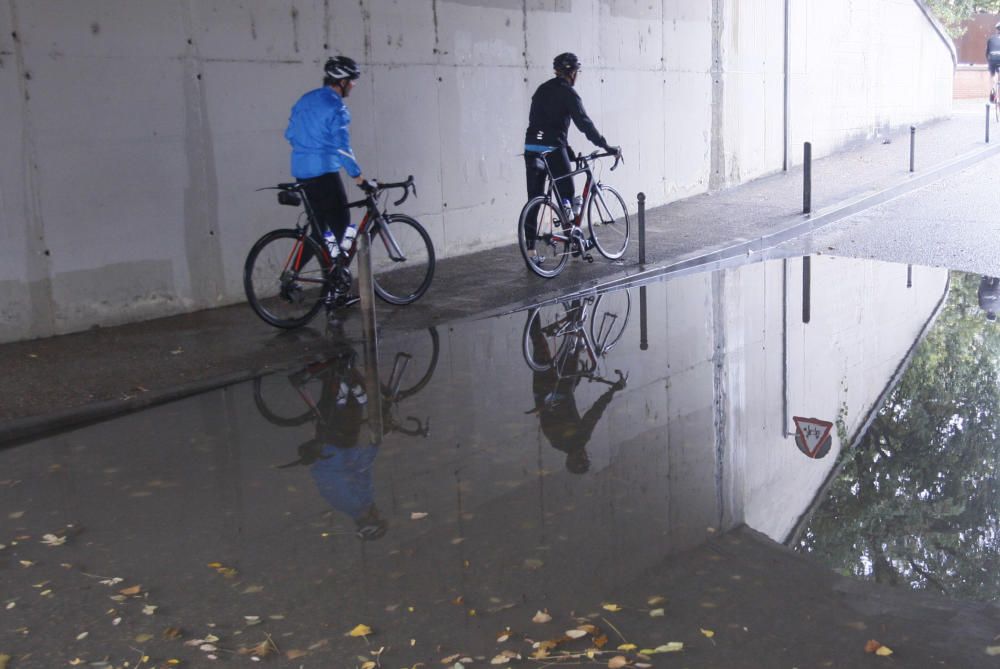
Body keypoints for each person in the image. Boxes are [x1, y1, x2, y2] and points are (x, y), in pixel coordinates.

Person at [284, 55, 371, 305]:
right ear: (342, 81)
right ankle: (337, 291)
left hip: (302, 172)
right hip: (324, 173)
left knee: (320, 231)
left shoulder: (305, 100)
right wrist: (359, 178)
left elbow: (289, 133)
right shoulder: (336, 108)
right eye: (352, 81)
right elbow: (342, 148)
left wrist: (308, 149)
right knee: (343, 225)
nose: (354, 86)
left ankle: (294, 275)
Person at [523, 53, 620, 262]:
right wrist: (605, 145)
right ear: (573, 73)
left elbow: (541, 122)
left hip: (531, 147)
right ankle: (573, 237)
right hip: (552, 149)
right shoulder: (569, 93)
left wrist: (565, 148)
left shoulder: (541, 90)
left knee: (535, 198)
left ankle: (530, 250)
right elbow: (584, 123)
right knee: (568, 191)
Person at [526, 300, 627, 473]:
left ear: (570, 460)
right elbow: (595, 413)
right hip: (559, 388)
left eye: (580, 459)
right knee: (556, 344)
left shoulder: (564, 440)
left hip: (550, 389)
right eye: (585, 458)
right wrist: (610, 392)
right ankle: (556, 304)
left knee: (546, 345)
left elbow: (594, 413)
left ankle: (539, 305)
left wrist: (612, 391)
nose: (583, 455)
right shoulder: (572, 440)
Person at [988, 23, 1000, 101]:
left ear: (997, 30)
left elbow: (987, 52)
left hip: (992, 58)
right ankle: (998, 94)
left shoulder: (991, 39)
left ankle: (993, 88)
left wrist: (988, 59)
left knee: (992, 74)